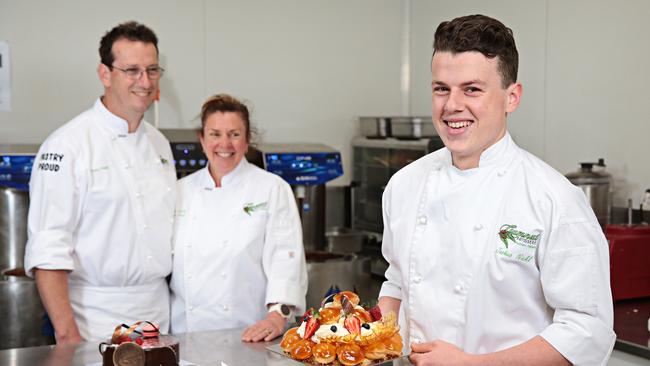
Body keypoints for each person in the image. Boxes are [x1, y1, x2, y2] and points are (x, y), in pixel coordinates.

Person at [378, 14, 615, 365]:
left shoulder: (554, 198)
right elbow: (397, 283)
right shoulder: (405, 185)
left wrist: (472, 364)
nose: (451, 106)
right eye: (441, 88)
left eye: (471, 89)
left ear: (512, 97)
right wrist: (361, 338)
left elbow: (587, 331)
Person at [24, 21, 175, 343]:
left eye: (152, 70)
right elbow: (49, 249)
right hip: (93, 318)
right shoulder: (67, 145)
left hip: (159, 315)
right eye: (132, 70)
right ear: (105, 74)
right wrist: (68, 337)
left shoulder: (160, 144)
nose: (144, 82)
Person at [169, 94, 308, 342]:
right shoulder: (180, 191)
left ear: (247, 141)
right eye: (215, 134)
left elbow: (285, 258)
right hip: (186, 334)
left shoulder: (271, 188)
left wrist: (277, 315)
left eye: (234, 134)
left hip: (249, 335)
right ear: (202, 139)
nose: (225, 144)